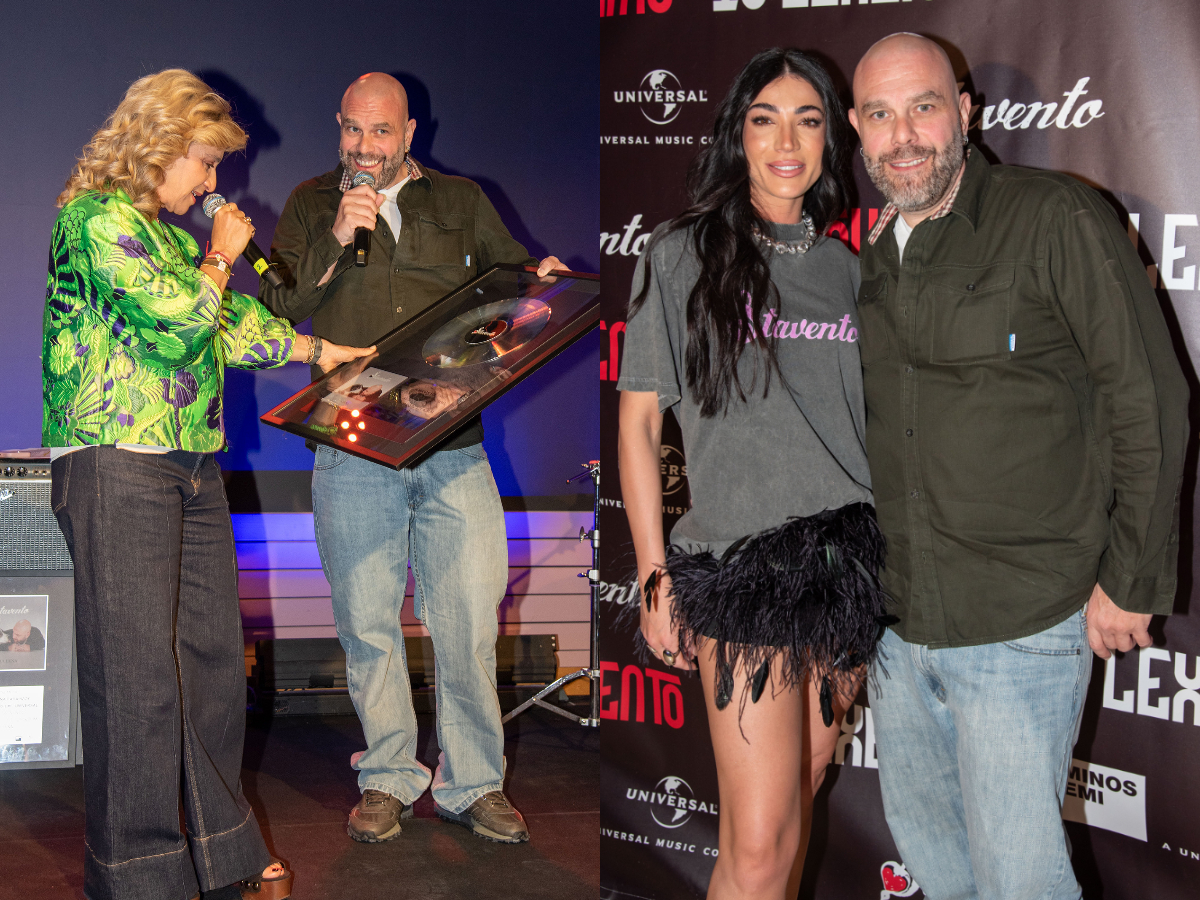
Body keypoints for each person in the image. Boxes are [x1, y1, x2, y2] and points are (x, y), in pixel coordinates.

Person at [848, 34, 1188, 900]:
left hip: (1022, 626)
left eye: (924, 107)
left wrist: (1131, 577)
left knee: (1021, 883)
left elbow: (1148, 398)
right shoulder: (874, 254)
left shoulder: (1053, 217)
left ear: (964, 112)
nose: (903, 135)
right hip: (899, 627)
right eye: (881, 114)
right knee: (939, 873)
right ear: (857, 129)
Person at [43, 69, 371, 900]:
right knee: (136, 680)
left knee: (213, 668)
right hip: (116, 460)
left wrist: (318, 352)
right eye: (206, 160)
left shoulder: (163, 239)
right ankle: (139, 875)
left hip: (189, 463)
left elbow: (225, 326)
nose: (214, 181)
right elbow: (175, 328)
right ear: (157, 145)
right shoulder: (94, 220)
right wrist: (221, 256)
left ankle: (222, 850)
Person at [261, 72, 563, 845]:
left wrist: (546, 283)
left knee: (467, 625)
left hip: (453, 446)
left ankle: (473, 784)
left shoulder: (461, 200)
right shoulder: (309, 204)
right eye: (352, 130)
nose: (364, 147)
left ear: (408, 134)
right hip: (353, 446)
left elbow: (515, 287)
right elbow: (280, 309)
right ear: (338, 125)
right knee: (368, 624)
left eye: (381, 132)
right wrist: (336, 237)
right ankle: (388, 777)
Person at [617, 49, 888, 900]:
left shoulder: (852, 271)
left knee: (797, 797)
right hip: (744, 569)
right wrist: (655, 572)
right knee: (762, 840)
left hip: (845, 565)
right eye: (765, 119)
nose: (786, 141)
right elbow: (639, 424)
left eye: (808, 121)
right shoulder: (680, 253)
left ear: (830, 141)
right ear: (738, 134)